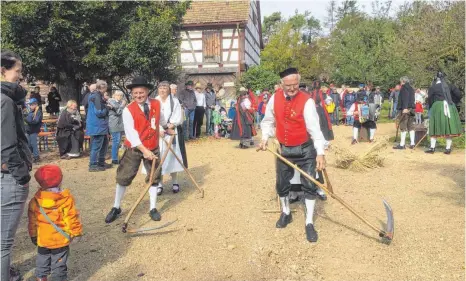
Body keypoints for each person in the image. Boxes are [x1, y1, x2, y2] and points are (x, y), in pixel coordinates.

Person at [259, 68, 326, 243]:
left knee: (310, 184)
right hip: (284, 150)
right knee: (281, 184)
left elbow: (315, 129)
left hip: (305, 149)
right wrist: (265, 138)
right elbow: (267, 121)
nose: (292, 88)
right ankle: (286, 212)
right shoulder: (274, 99)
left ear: (299, 82)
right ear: (282, 84)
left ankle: (309, 222)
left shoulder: (307, 101)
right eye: (288, 85)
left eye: (295, 85)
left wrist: (320, 153)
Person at [105, 76, 168, 223]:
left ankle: (152, 208)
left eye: (141, 92)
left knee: (154, 177)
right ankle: (116, 207)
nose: (138, 96)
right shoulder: (128, 110)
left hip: (153, 146)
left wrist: (167, 127)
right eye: (135, 93)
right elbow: (131, 134)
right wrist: (144, 150)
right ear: (132, 94)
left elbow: (161, 118)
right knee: (123, 177)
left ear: (147, 91)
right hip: (134, 148)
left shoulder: (156, 104)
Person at [1, 50, 32, 281]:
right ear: (2, 71)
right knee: (4, 241)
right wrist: (21, 174)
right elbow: (8, 144)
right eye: (17, 71)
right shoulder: (4, 101)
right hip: (9, 174)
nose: (20, 76)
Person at [28, 165, 82, 281]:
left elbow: (32, 221)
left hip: (43, 239)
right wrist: (76, 233)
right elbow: (71, 217)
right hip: (60, 241)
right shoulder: (65, 199)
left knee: (42, 262)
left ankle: (41, 278)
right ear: (60, 181)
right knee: (59, 266)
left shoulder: (35, 201)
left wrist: (33, 235)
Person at [155, 81, 185, 195]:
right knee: (160, 158)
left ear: (168, 89)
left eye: (165, 88)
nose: (162, 90)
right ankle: (159, 184)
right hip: (158, 134)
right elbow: (152, 117)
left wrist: (170, 126)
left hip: (171, 132)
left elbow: (178, 116)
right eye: (160, 88)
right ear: (158, 89)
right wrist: (159, 129)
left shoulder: (174, 101)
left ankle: (175, 182)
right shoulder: (155, 101)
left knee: (172, 156)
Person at [425, 72, 462, 154]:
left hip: (437, 107)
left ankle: (432, 148)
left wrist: (431, 107)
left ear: (436, 78)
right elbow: (459, 95)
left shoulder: (433, 87)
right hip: (450, 106)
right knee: (448, 128)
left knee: (434, 127)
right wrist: (452, 101)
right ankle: (448, 149)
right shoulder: (450, 86)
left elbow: (430, 99)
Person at [86, 80, 112, 172]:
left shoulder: (97, 96)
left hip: (100, 125)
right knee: (96, 146)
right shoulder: (96, 97)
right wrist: (108, 108)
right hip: (97, 125)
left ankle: (101, 162)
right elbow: (99, 112)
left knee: (104, 143)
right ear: (103, 88)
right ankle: (92, 165)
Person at [393, 77, 416, 150]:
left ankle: (402, 144)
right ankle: (412, 143)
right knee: (410, 126)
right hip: (411, 109)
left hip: (405, 109)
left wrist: (405, 108)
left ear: (403, 81)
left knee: (403, 126)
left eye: (400, 82)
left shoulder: (404, 88)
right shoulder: (411, 88)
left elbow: (405, 97)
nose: (400, 83)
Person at [107, 91, 127, 164]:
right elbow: (118, 112)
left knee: (118, 142)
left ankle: (118, 157)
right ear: (114, 95)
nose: (119, 97)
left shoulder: (120, 102)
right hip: (114, 124)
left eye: (121, 95)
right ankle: (114, 159)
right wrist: (122, 105)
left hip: (120, 124)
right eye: (117, 95)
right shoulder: (111, 102)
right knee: (116, 141)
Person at [25, 98, 43, 163]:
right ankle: (30, 156)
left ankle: (36, 157)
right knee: (28, 144)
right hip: (28, 130)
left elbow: (35, 121)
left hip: (34, 130)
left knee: (33, 144)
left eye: (32, 105)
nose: (30, 106)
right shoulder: (30, 111)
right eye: (30, 105)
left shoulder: (38, 111)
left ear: (36, 104)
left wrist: (26, 120)